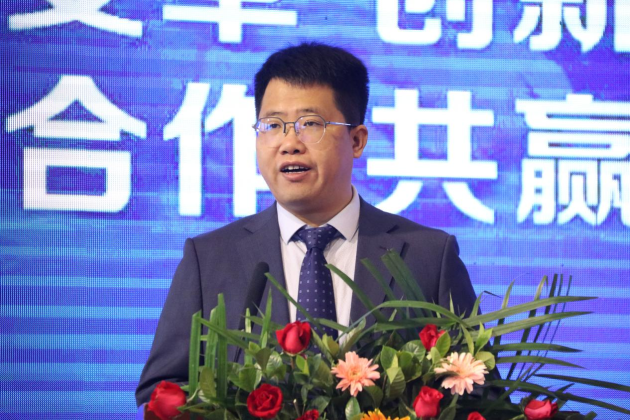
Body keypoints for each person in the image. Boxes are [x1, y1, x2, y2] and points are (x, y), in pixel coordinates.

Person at [135, 43, 477, 406]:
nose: (289, 143)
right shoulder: (209, 259)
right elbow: (163, 391)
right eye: (272, 125)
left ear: (357, 140)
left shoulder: (428, 256)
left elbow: (477, 390)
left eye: (310, 124)